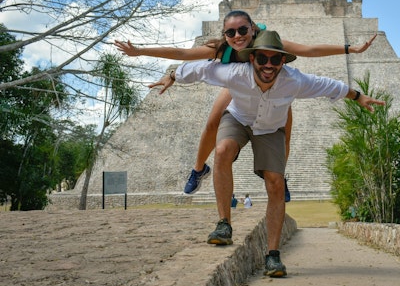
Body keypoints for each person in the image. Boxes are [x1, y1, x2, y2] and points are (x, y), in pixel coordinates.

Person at [154, 30, 385, 277]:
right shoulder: (234, 73)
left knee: (275, 184)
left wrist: (358, 96)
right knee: (222, 150)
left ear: (283, 62)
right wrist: (172, 75)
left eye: (275, 60)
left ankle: (273, 255)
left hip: (270, 128)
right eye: (262, 59)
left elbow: (329, 85)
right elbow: (200, 69)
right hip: (239, 119)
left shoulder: (294, 80)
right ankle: (224, 224)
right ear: (251, 59)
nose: (268, 65)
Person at [115, 10, 376, 197]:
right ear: (225, 34)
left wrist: (348, 49)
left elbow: (308, 50)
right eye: (231, 32)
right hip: (238, 84)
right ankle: (198, 169)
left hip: (273, 87)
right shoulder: (222, 49)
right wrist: (142, 52)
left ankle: (279, 176)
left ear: (253, 29)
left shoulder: (270, 44)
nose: (238, 36)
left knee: (284, 131)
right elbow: (183, 54)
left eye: (243, 30)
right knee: (213, 122)